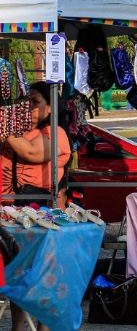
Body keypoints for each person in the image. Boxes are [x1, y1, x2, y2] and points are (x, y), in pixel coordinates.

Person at [2, 81, 71, 331]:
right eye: (26, 102)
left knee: (43, 276)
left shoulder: (56, 134)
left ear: (50, 108)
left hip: (42, 215)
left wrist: (4, 130)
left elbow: (32, 154)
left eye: (35, 103)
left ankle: (44, 328)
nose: (28, 107)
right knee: (17, 275)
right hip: (14, 217)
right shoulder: (22, 131)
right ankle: (17, 328)